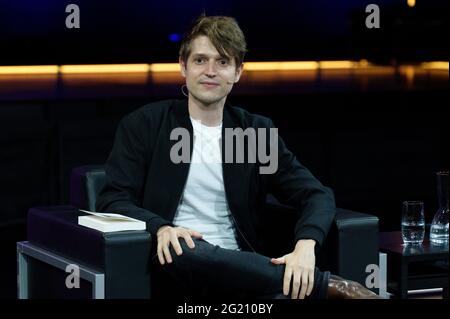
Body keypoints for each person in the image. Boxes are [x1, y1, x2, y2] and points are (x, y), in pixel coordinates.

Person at [96, 14, 380, 299]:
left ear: (237, 72)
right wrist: (160, 227)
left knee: (284, 291)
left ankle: (291, 282)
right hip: (175, 265)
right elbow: (113, 199)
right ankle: (334, 287)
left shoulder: (253, 133)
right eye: (200, 60)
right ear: (183, 66)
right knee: (183, 248)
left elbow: (316, 194)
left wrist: (306, 246)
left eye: (222, 62)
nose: (210, 71)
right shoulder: (146, 125)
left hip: (244, 268)